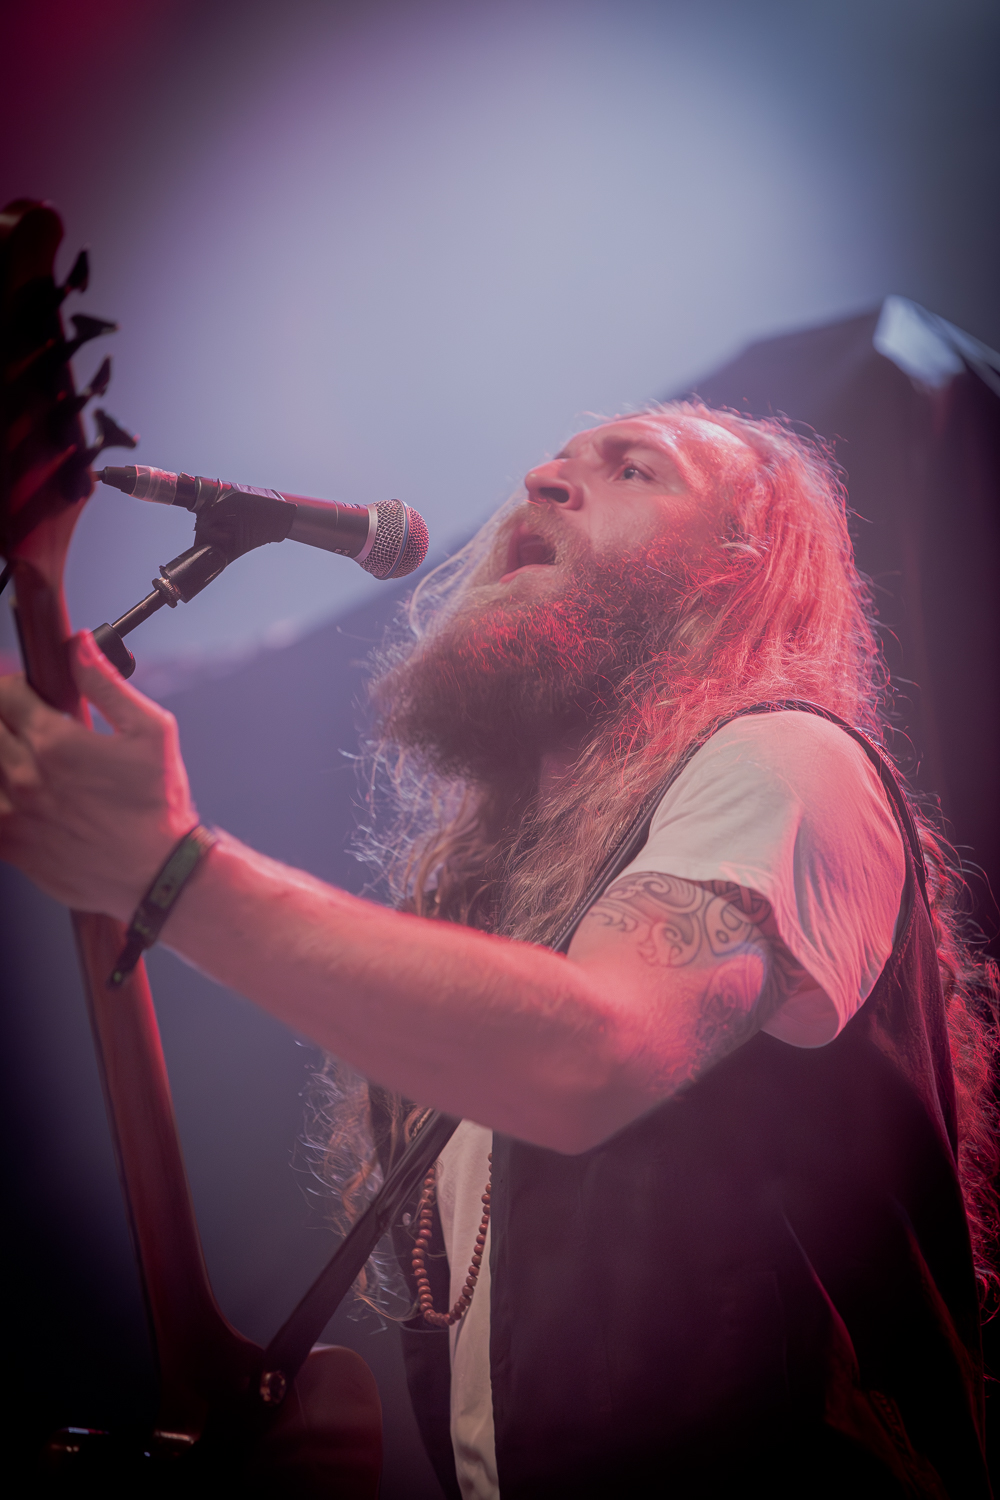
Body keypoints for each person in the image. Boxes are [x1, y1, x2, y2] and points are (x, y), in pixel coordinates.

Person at [0, 402, 995, 1497]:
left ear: (735, 572)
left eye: (635, 470)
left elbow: (593, 1056)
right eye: (555, 458)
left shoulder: (784, 758)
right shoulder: (489, 909)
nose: (543, 479)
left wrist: (173, 874)